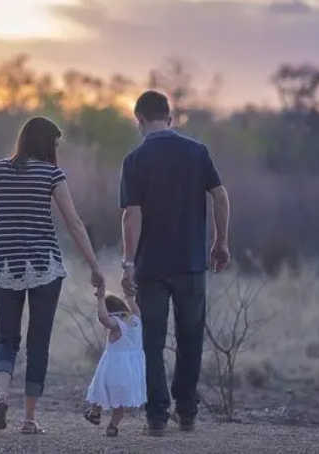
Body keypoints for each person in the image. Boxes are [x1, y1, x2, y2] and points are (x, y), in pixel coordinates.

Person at [0, 116, 105, 434]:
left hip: (3, 266)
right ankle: (29, 419)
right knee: (38, 343)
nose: (56, 150)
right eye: (55, 144)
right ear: (47, 143)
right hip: (44, 266)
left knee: (7, 338)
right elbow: (74, 223)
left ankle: (2, 395)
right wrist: (95, 266)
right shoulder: (51, 174)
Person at [119, 90, 231, 436]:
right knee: (191, 337)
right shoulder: (197, 152)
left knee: (151, 341)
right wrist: (220, 242)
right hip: (191, 263)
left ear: (139, 119)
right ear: (169, 117)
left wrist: (127, 263)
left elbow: (131, 217)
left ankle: (156, 417)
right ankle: (187, 412)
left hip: (151, 266)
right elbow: (221, 196)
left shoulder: (135, 159)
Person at [84, 292, 146, 437]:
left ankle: (95, 413)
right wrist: (129, 296)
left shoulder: (116, 324)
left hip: (113, 369)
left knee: (100, 390)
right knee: (120, 402)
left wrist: (100, 299)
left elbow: (103, 318)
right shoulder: (135, 319)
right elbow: (135, 308)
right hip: (131, 371)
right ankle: (113, 426)